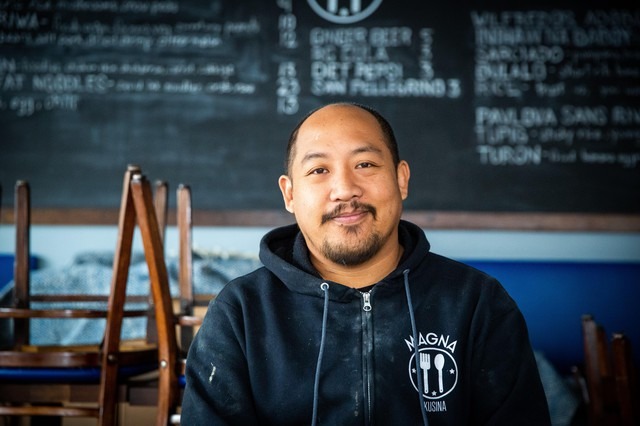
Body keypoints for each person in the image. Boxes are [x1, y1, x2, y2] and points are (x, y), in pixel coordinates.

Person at [181, 102, 551, 425]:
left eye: (365, 163)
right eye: (318, 170)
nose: (345, 189)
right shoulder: (239, 313)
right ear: (290, 194)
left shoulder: (477, 303)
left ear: (401, 179)